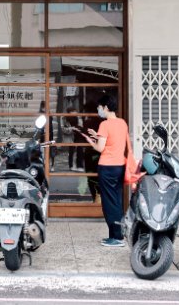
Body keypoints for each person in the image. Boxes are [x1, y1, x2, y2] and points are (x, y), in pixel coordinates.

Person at [81, 94, 127, 247]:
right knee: (117, 200)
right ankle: (115, 234)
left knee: (109, 203)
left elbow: (101, 148)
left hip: (107, 167)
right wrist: (97, 136)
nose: (98, 110)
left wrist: (90, 141)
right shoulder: (122, 123)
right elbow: (113, 142)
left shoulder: (105, 125)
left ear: (106, 107)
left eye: (100, 107)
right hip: (120, 166)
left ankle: (117, 237)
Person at [65, 108, 85, 172]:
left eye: (75, 111)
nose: (75, 112)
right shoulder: (64, 118)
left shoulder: (78, 117)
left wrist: (79, 128)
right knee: (71, 151)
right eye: (73, 111)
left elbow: (82, 125)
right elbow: (63, 129)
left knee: (80, 149)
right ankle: (71, 166)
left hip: (78, 135)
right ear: (69, 112)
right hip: (71, 136)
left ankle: (80, 166)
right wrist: (72, 129)